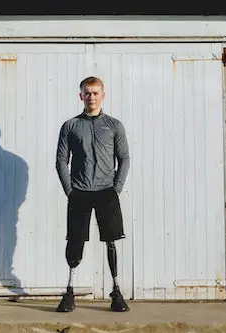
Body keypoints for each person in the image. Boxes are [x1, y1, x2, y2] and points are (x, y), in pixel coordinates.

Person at [55, 76, 130, 312]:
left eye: (96, 93)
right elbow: (61, 160)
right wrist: (70, 190)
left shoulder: (114, 125)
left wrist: (116, 188)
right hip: (80, 192)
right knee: (75, 240)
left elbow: (124, 158)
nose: (91, 97)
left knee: (111, 240)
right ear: (81, 96)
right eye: (87, 93)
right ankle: (69, 293)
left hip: (107, 191)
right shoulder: (70, 126)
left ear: (103, 95)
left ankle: (116, 292)